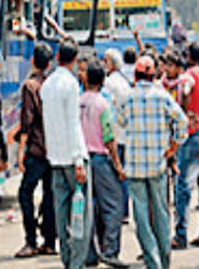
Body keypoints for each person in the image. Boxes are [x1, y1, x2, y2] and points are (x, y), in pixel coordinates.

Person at [118, 56, 188, 269]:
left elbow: (119, 121)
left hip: (135, 166)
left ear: (136, 75)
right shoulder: (162, 96)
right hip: (158, 164)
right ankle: (164, 260)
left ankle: (153, 261)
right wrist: (173, 146)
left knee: (141, 218)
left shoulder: (127, 97)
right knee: (161, 214)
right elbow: (182, 122)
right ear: (153, 74)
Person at [39, 39, 93, 269]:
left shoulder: (47, 85)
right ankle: (77, 263)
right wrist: (79, 160)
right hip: (74, 157)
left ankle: (66, 258)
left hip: (55, 158)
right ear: (74, 60)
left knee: (61, 214)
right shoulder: (70, 84)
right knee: (82, 215)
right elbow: (73, 123)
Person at [79, 62, 128, 268]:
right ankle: (110, 250)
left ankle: (90, 253)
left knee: (89, 208)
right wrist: (118, 165)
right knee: (114, 204)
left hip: (82, 159)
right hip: (100, 158)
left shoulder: (78, 101)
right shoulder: (102, 104)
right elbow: (109, 138)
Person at [14, 42, 58, 258]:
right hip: (53, 150)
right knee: (50, 195)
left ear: (33, 61)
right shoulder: (52, 84)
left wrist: (20, 152)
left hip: (36, 150)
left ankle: (30, 240)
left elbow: (27, 122)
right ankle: (49, 241)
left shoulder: (30, 86)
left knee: (25, 193)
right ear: (49, 64)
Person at [171, 42, 199, 250]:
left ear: (189, 56)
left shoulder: (189, 75)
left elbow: (187, 89)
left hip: (193, 133)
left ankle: (181, 234)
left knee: (184, 186)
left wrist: (184, 111)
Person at [102, 49, 132, 224]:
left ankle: (117, 211)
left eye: (106, 61)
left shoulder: (109, 84)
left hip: (114, 135)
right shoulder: (124, 82)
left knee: (115, 175)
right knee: (122, 175)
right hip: (124, 134)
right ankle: (124, 211)